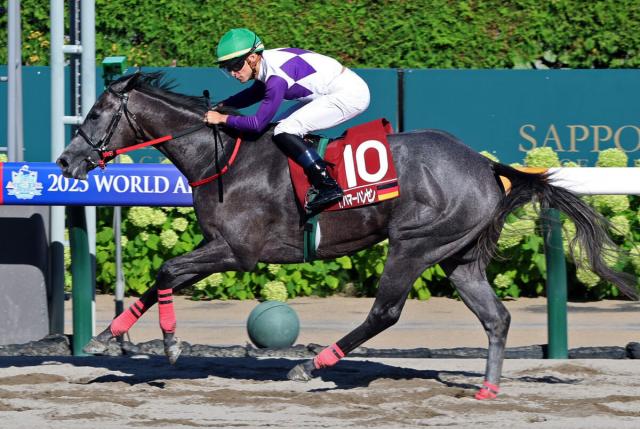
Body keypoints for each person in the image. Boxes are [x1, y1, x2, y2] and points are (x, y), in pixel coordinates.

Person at [204, 28, 370, 215]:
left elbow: (257, 124)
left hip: (349, 95)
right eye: (227, 68)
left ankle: (327, 185)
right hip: (332, 90)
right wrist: (223, 105)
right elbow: (255, 93)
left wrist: (222, 118)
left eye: (235, 66)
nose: (233, 73)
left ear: (252, 58)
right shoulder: (264, 62)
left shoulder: (276, 78)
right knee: (275, 130)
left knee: (284, 130)